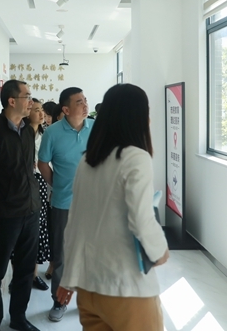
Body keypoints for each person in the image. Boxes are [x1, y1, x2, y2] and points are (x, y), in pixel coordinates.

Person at [56, 84, 169, 331]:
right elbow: (141, 220)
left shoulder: (87, 160)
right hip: (126, 288)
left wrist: (69, 277)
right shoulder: (136, 158)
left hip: (89, 289)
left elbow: (75, 224)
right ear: (136, 117)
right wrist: (160, 251)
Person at [0, 80, 41, 331]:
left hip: (30, 211)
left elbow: (28, 169)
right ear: (12, 101)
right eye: (27, 96)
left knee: (25, 270)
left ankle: (18, 318)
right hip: (4, 215)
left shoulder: (27, 131)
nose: (31, 102)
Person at [38, 87, 94, 322]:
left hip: (93, 203)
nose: (85, 104)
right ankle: (59, 302)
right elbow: (42, 164)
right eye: (79, 102)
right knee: (61, 255)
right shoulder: (52, 133)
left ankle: (89, 302)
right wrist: (57, 184)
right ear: (66, 109)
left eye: (85, 100)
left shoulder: (96, 128)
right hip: (63, 202)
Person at [28, 98, 50, 290]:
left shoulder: (46, 134)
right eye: (36, 110)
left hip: (41, 182)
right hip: (24, 183)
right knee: (22, 229)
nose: (41, 113)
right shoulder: (21, 133)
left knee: (38, 226)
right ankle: (18, 276)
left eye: (41, 109)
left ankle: (34, 275)